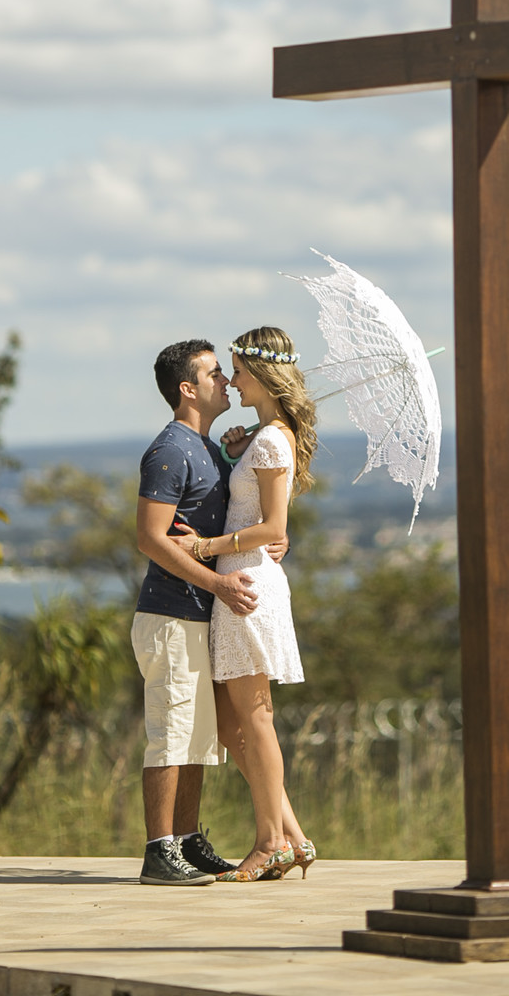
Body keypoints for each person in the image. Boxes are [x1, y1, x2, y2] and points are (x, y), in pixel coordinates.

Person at [132, 337, 286, 887]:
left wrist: (235, 453)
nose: (226, 381)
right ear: (188, 388)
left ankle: (188, 840)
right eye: (214, 374)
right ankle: (160, 849)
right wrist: (219, 584)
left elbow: (231, 519)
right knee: (172, 732)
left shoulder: (207, 448)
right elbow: (151, 539)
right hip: (171, 614)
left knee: (198, 736)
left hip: (198, 613)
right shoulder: (170, 449)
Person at [173, 325, 317, 883]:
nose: (230, 380)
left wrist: (206, 547)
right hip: (241, 584)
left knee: (253, 721)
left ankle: (270, 842)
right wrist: (237, 457)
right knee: (236, 725)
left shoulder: (274, 439)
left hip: (246, 588)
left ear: (258, 375)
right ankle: (294, 838)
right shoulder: (264, 438)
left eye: (236, 370)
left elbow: (273, 527)